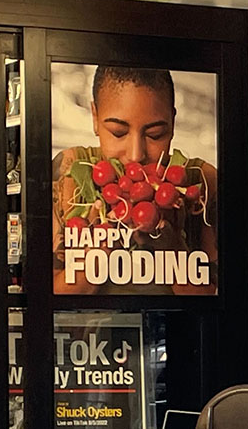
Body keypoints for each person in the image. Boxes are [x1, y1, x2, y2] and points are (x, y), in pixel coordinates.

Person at [52, 65, 218, 295]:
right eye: (118, 132)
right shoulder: (72, 171)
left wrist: (173, 250)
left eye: (155, 135)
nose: (135, 154)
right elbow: (42, 300)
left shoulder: (201, 181)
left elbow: (227, 309)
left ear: (173, 122)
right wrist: (96, 254)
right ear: (94, 117)